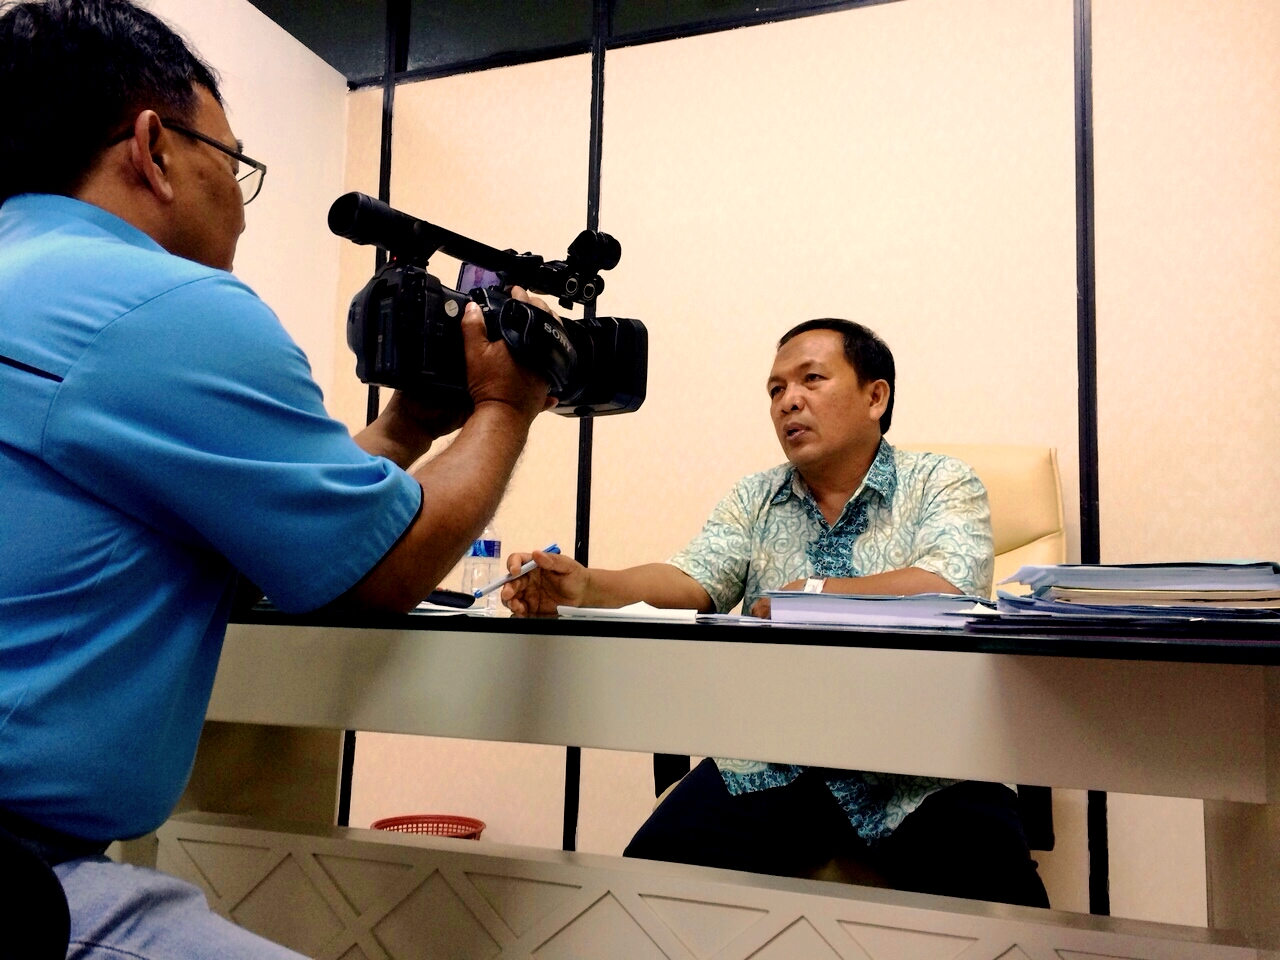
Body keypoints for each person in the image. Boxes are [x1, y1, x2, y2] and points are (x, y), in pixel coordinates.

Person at [0, 1, 555, 956]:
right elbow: (381, 569)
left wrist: (406, 428)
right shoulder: (167, 306)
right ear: (153, 148)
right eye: (232, 161)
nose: (241, 201)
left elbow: (297, 523)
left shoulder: (34, 281)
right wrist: (508, 402)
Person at [502, 319, 1050, 908]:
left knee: (1010, 921)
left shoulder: (941, 482)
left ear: (875, 397)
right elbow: (693, 580)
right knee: (646, 896)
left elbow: (947, 588)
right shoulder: (755, 498)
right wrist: (589, 586)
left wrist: (808, 596)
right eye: (775, 389)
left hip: (923, 766)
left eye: (811, 379)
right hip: (775, 757)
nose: (788, 400)